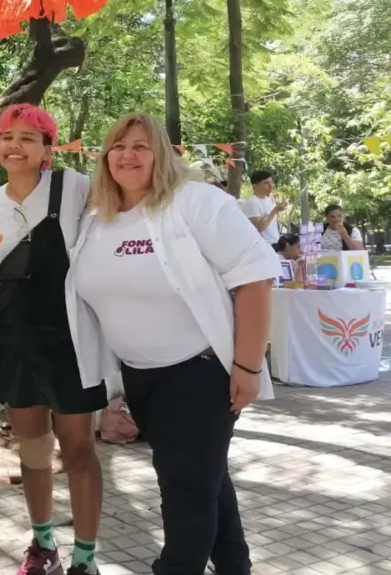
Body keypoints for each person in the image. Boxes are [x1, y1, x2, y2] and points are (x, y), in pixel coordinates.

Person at [69, 113, 277, 575]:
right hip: (140, 378)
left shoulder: (195, 202)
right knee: (207, 486)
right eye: (118, 147)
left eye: (141, 146)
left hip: (198, 376)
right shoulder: (97, 218)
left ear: (161, 153)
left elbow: (256, 279)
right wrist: (114, 387)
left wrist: (247, 367)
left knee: (184, 493)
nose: (128, 156)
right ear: (105, 158)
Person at [0, 104, 107, 575]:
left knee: (77, 448)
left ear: (48, 149)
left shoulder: (73, 187)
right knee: (31, 449)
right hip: (14, 343)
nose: (15, 146)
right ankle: (43, 545)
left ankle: (86, 558)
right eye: (7, 137)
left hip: (69, 340)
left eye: (29, 138)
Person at [240, 170, 285, 244]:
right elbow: (260, 227)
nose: (271, 185)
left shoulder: (269, 200)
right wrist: (274, 211)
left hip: (275, 243)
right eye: (266, 183)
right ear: (255, 185)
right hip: (263, 246)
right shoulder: (252, 202)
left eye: (271, 182)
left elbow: (271, 224)